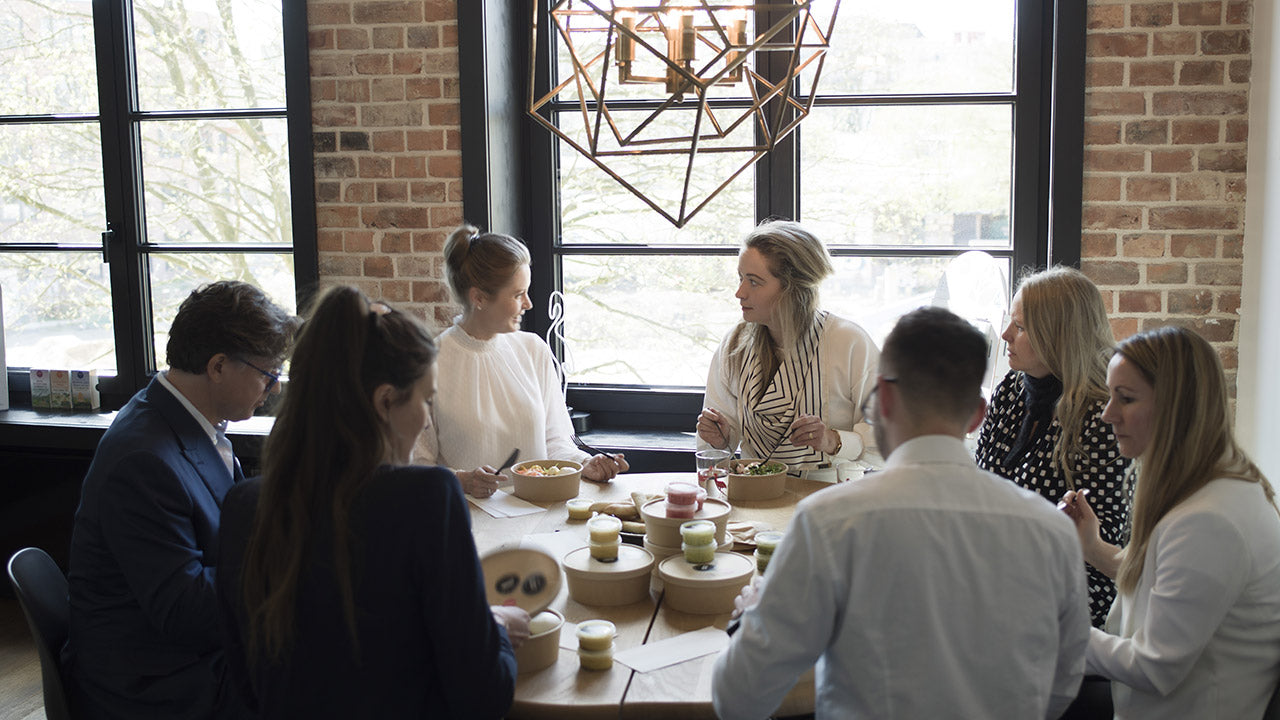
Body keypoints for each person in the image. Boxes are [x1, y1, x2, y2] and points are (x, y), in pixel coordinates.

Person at [712, 307, 1089, 719]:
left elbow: (738, 698)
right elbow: (1063, 682)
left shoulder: (828, 521)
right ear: (978, 416)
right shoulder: (1052, 530)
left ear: (884, 399)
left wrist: (753, 618)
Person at [217, 286, 526, 718]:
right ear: (385, 402)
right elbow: (483, 696)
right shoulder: (426, 498)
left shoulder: (243, 506)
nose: (424, 419)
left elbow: (247, 684)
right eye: (426, 400)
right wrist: (492, 628)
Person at [64, 281, 298, 720]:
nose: (275, 388)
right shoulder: (143, 460)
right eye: (268, 374)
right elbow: (185, 612)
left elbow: (228, 533)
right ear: (218, 366)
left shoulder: (185, 420)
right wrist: (291, 570)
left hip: (184, 654)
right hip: (156, 682)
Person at [1061, 326, 1280, 718]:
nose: (1108, 414)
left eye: (1124, 399)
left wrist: (1055, 632)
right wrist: (1093, 548)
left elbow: (1154, 665)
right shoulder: (1206, 485)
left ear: (1177, 406)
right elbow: (1164, 580)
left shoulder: (1209, 521)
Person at [416, 224, 627, 497]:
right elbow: (415, 466)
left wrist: (587, 463)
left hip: (543, 515)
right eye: (518, 295)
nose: (528, 303)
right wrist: (461, 481)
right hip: (466, 523)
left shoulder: (533, 350)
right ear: (478, 297)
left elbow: (555, 441)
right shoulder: (426, 367)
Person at [974, 266, 1129, 627]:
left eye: (1021, 327)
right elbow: (981, 488)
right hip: (1002, 577)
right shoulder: (1011, 390)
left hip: (1071, 593)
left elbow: (1096, 543)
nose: (1006, 334)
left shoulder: (1102, 415)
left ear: (1060, 336)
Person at [697, 220, 878, 480]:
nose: (740, 292)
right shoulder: (734, 345)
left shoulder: (848, 342)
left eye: (754, 282)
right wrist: (720, 438)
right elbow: (723, 442)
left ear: (792, 289)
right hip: (754, 500)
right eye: (740, 278)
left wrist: (832, 441)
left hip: (830, 502)